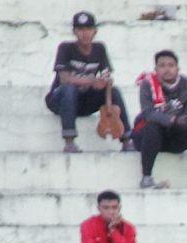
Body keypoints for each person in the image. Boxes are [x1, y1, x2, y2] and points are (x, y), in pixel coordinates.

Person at [45, 11, 134, 153]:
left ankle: (127, 139)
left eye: (88, 29)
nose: (84, 33)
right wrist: (92, 80)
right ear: (74, 32)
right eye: (80, 29)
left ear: (95, 31)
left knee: (114, 91)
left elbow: (106, 74)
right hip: (60, 101)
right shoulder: (65, 48)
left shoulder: (99, 49)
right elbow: (65, 79)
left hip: (84, 102)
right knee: (69, 89)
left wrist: (104, 82)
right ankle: (69, 142)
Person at [132, 50, 187, 189]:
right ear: (156, 69)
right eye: (162, 65)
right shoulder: (148, 84)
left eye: (171, 65)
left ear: (177, 68)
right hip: (150, 136)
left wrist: (183, 121)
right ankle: (146, 176)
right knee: (152, 128)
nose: (167, 69)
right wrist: (171, 120)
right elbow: (148, 112)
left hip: (176, 134)